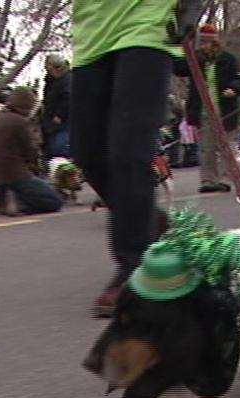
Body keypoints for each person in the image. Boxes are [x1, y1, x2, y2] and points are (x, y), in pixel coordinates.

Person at [71, 0, 201, 317]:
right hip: (92, 31)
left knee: (128, 151)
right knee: (87, 152)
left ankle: (135, 266)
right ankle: (152, 222)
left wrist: (192, 8)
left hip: (146, 24)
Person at [174, 24, 240, 193]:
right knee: (207, 147)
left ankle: (224, 178)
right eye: (203, 41)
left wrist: (233, 88)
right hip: (204, 110)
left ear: (216, 42)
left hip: (225, 109)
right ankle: (208, 180)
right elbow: (178, 68)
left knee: (226, 147)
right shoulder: (195, 59)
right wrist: (181, 46)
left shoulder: (228, 59)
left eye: (209, 41)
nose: (205, 45)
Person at [0, 87, 63, 216]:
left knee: (32, 185)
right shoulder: (19, 122)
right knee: (54, 202)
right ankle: (18, 202)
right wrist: (37, 166)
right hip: (13, 175)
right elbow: (31, 151)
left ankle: (4, 195)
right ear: (25, 106)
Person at [41, 54, 72, 159]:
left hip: (62, 121)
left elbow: (68, 98)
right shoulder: (50, 81)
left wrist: (60, 115)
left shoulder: (68, 80)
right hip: (50, 119)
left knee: (59, 149)